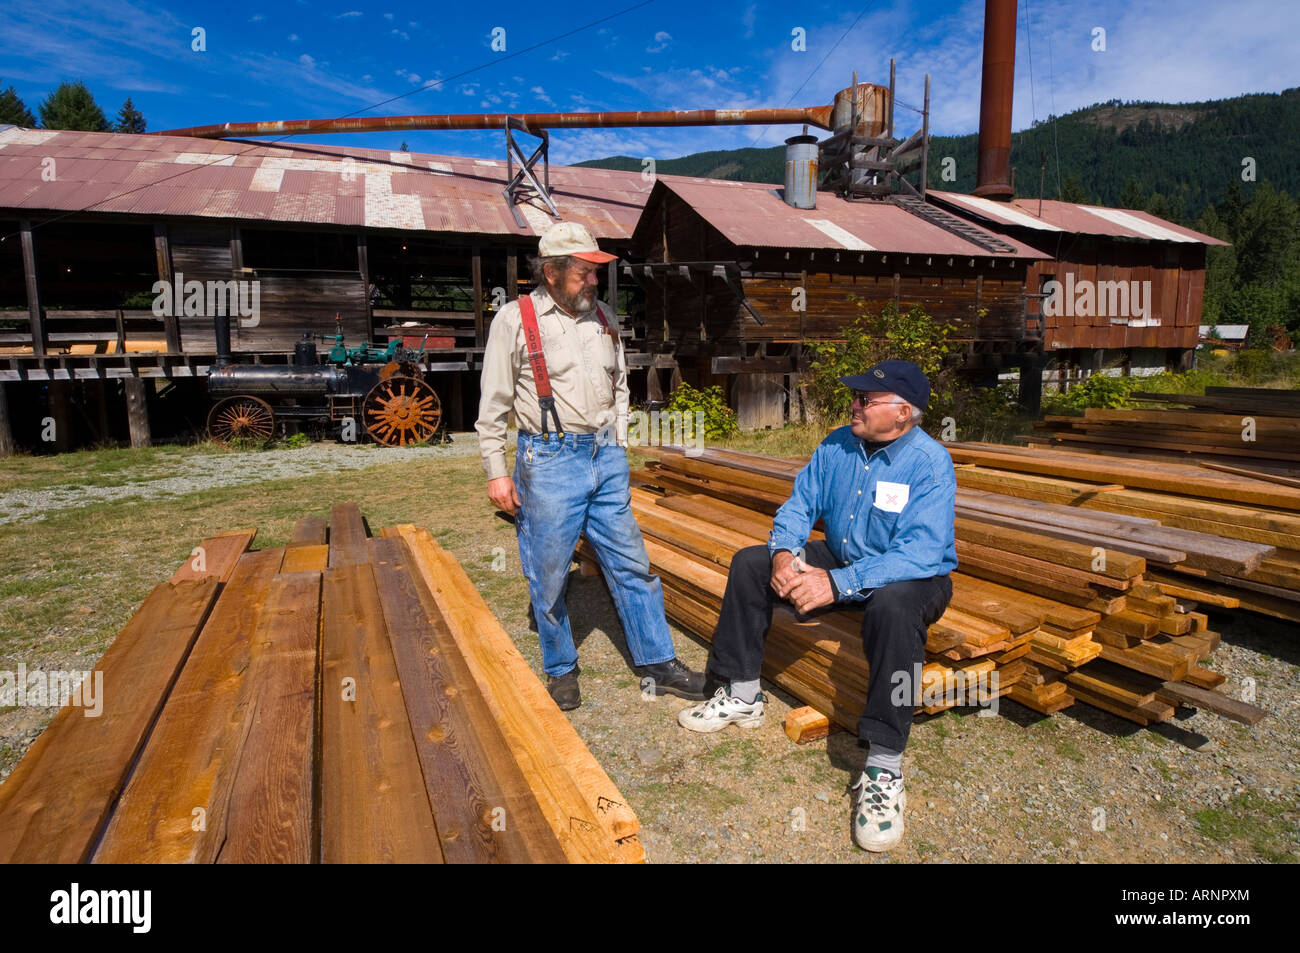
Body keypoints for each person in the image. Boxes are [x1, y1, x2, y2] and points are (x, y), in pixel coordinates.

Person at [676, 360, 956, 852]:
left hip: (911, 575)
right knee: (750, 563)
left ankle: (884, 768)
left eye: (866, 399)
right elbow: (799, 506)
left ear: (904, 412)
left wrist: (838, 584)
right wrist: (785, 553)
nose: (855, 404)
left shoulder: (930, 464)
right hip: (847, 557)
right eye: (857, 396)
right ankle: (742, 693)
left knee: (892, 609)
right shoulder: (837, 444)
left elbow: (918, 553)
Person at [475, 221, 706, 711]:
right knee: (551, 570)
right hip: (550, 460)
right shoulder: (514, 320)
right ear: (553, 273)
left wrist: (619, 437)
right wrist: (497, 471)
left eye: (596, 272)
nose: (594, 281)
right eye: (585, 272)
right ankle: (560, 666)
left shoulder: (604, 316)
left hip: (606, 457)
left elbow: (621, 382)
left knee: (633, 564)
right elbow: (492, 402)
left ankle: (657, 662)